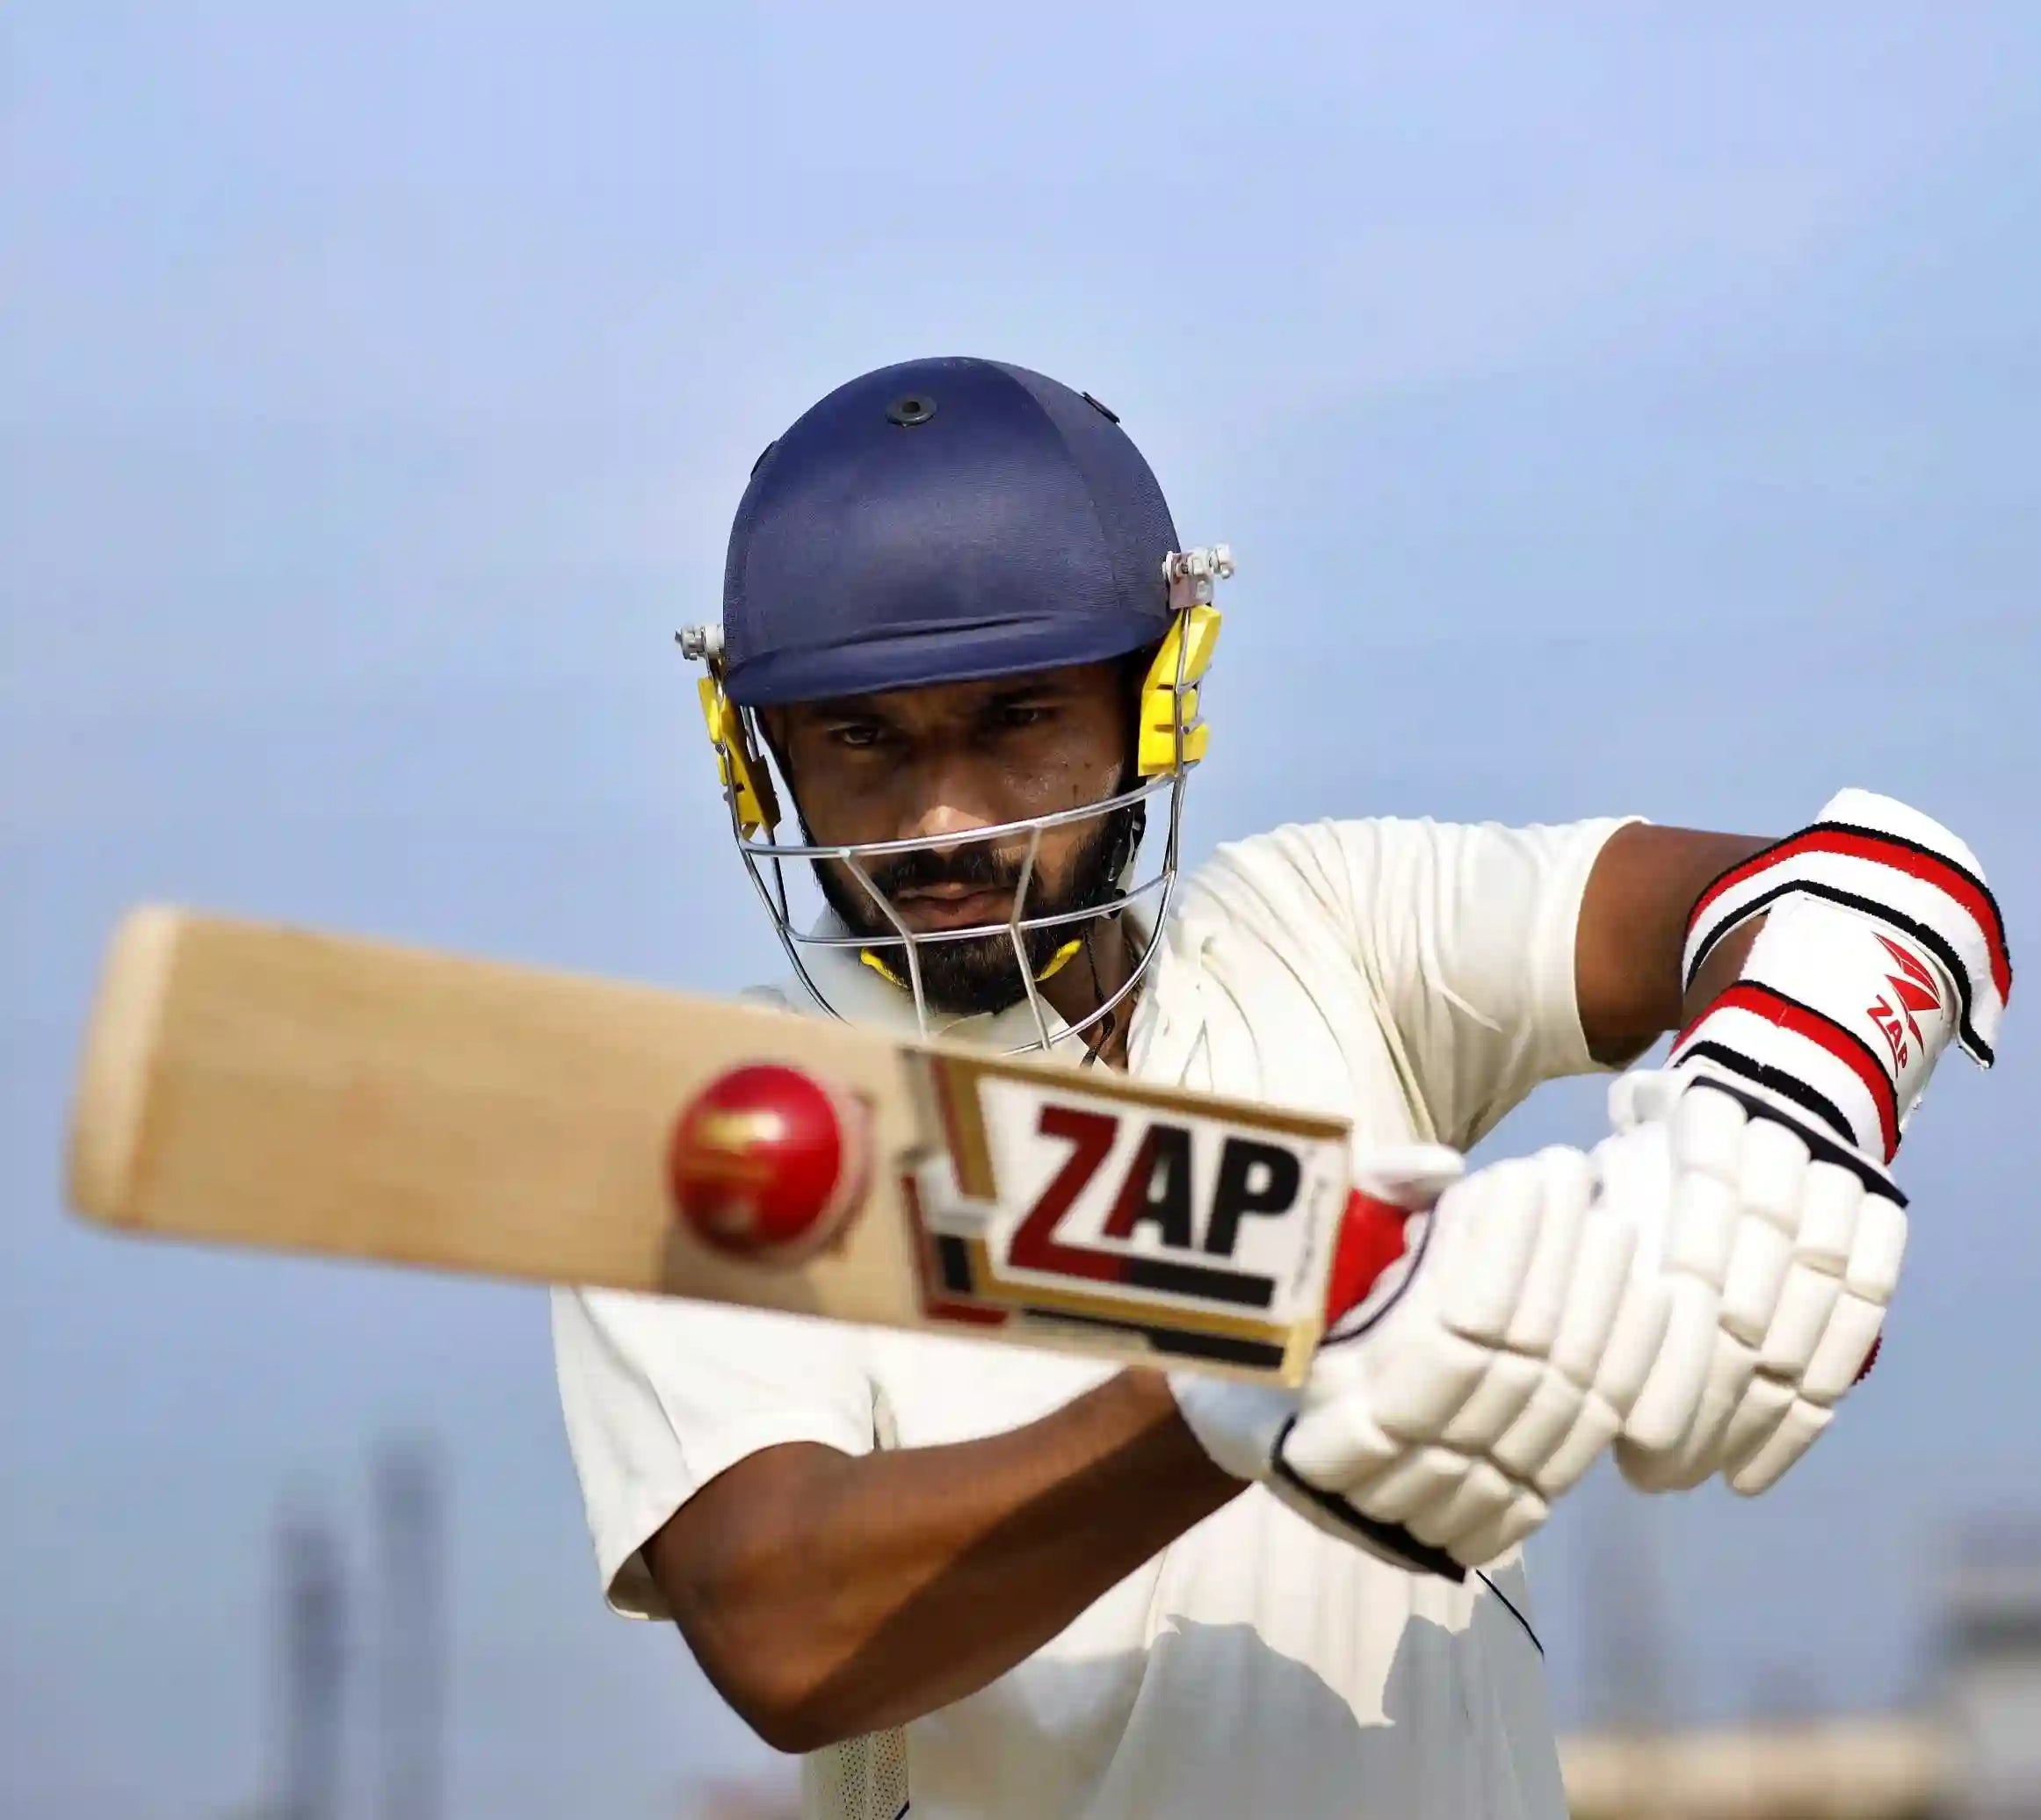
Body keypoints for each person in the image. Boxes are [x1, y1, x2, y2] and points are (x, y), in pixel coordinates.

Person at [554, 358, 2009, 1820]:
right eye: (863, 736)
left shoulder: (1325, 933)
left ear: (1156, 698)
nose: (944, 821)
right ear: (763, 758)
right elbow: (788, 1631)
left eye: (1015, 719)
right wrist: (1239, 1387)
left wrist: (1773, 1123)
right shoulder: (731, 1129)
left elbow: (1846, 894)